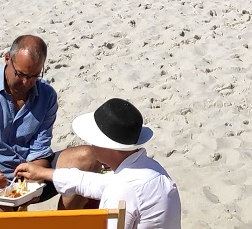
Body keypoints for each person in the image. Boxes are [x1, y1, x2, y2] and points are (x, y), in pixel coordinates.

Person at [0, 35, 101, 213]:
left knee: (89, 158)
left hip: (26, 178)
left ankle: (64, 223)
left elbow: (40, 150)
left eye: (34, 76)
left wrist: (35, 179)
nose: (27, 83)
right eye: (21, 74)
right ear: (7, 59)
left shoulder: (46, 96)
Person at [14, 98, 180, 229]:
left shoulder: (122, 190)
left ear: (106, 146)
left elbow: (116, 194)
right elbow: (94, 183)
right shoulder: (151, 168)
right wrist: (43, 173)